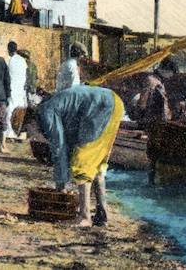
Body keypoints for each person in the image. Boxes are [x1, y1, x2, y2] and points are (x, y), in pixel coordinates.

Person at [34, 85, 124, 227]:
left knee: (82, 160)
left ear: (30, 120)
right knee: (97, 162)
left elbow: (59, 147)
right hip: (114, 101)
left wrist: (60, 188)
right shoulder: (55, 102)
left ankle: (84, 216)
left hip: (100, 105)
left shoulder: (46, 110)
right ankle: (102, 212)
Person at [131, 58, 175, 127]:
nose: (171, 76)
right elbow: (143, 100)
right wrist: (141, 115)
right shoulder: (152, 80)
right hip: (151, 118)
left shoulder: (159, 80)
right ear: (166, 70)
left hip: (157, 117)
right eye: (171, 73)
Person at [5, 40, 28, 138]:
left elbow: (6, 75)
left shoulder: (9, 60)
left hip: (12, 88)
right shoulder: (23, 60)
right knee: (19, 112)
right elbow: (26, 74)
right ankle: (17, 132)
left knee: (9, 110)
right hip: (21, 89)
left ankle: (10, 132)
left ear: (9, 49)